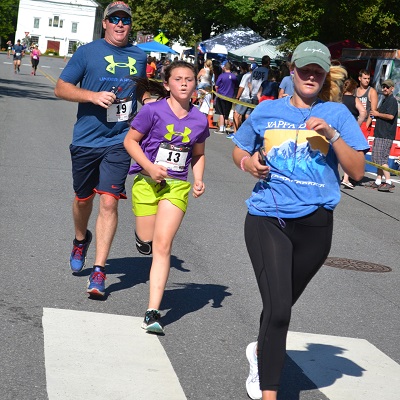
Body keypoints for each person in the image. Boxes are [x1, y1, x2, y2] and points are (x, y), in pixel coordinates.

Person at [231, 40, 369, 400]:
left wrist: (332, 136)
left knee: (280, 304)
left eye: (317, 71)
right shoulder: (266, 111)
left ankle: (261, 351)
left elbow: (356, 172)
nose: (310, 75)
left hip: (316, 227)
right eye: (304, 69)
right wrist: (249, 164)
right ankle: (269, 392)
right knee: (279, 311)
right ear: (292, 71)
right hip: (268, 217)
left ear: (324, 77)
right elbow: (239, 148)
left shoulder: (338, 114)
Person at [54, 1, 148, 297]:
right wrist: (92, 96)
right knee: (83, 200)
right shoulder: (87, 52)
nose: (121, 24)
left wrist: (163, 106)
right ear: (105, 23)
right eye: (115, 19)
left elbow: (141, 91)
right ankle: (81, 239)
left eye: (126, 20)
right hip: (86, 139)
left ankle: (98, 271)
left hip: (120, 140)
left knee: (109, 201)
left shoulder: (140, 56)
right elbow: (61, 87)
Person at [123, 60, 210, 333]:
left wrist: (198, 180)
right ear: (167, 84)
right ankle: (141, 238)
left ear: (196, 85)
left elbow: (198, 154)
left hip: (176, 186)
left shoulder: (199, 119)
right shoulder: (152, 111)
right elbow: (130, 141)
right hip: (146, 182)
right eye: (178, 79)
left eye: (189, 79)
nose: (184, 83)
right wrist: (149, 167)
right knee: (148, 240)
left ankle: (152, 312)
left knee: (163, 246)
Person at [365, 79, 398, 192]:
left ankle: (388, 181)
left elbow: (391, 117)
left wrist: (378, 113)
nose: (385, 89)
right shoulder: (385, 100)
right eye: (384, 86)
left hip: (386, 134)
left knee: (382, 158)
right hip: (380, 133)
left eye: (387, 87)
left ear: (392, 88)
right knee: (377, 158)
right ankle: (378, 180)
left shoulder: (392, 101)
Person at [341, 78, 367, 188]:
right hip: (349, 127)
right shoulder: (354, 99)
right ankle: (346, 178)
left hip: (338, 126)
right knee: (350, 152)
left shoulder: (339, 99)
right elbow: (363, 112)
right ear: (353, 89)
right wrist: (358, 124)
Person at [214, 61, 237, 133]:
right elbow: (236, 86)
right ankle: (225, 127)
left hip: (221, 96)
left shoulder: (221, 76)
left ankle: (221, 128)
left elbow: (216, 86)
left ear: (225, 67)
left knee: (221, 113)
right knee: (226, 113)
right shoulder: (234, 76)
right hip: (230, 97)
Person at [355, 69, 378, 137]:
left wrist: (366, 125)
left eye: (368, 78)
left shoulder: (372, 91)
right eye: (365, 78)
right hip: (354, 122)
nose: (367, 80)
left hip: (364, 123)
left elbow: (373, 111)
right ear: (359, 78)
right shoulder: (355, 90)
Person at [233, 62, 253, 134]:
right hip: (251, 98)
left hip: (244, 97)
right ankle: (245, 132)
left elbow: (242, 87)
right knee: (246, 116)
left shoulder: (246, 76)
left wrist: (237, 97)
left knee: (236, 114)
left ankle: (236, 133)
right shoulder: (255, 76)